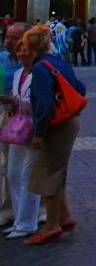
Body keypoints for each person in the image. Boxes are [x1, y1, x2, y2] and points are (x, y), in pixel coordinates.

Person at [23, 24, 86, 245]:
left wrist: (39, 133)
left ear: (30, 47)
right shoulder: (58, 63)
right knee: (57, 171)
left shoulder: (40, 68)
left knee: (49, 173)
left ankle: (51, 226)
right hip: (70, 121)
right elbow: (81, 88)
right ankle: (65, 217)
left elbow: (45, 103)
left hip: (57, 124)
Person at [0, 38, 42, 238]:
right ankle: (18, 218)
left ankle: (27, 223)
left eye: (26, 50)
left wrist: (14, 100)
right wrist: (11, 102)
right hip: (17, 126)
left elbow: (41, 101)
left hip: (34, 127)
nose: (22, 54)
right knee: (13, 173)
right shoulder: (18, 74)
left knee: (28, 175)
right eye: (20, 51)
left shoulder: (40, 74)